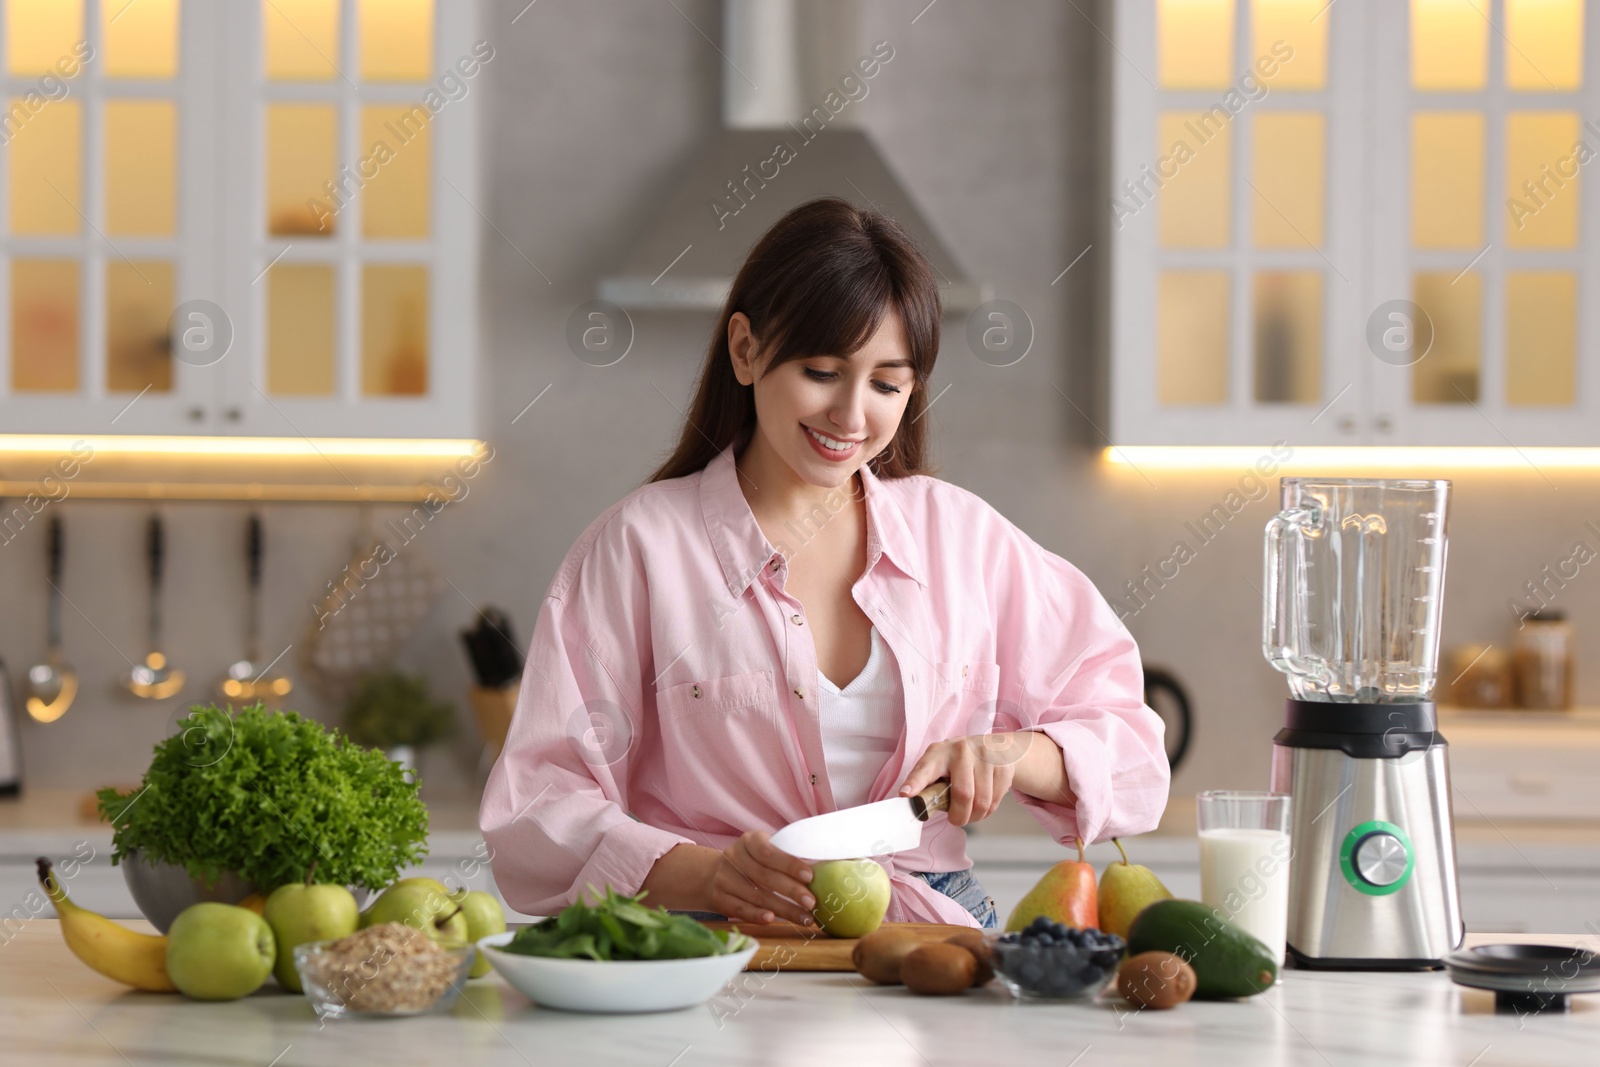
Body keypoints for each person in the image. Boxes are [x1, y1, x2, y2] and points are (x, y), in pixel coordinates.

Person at [480, 197, 1169, 929]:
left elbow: (1133, 752)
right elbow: (536, 808)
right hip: (714, 944)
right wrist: (713, 876)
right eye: (821, 370)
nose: (850, 414)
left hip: (930, 938)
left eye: (886, 383)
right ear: (745, 350)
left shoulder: (964, 539)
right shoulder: (640, 548)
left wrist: (1014, 751)